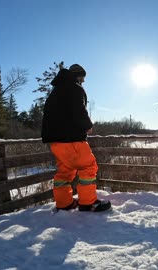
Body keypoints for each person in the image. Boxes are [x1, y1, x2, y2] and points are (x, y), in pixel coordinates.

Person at [41, 64, 111, 212]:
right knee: (88, 167)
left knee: (65, 171)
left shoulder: (56, 91)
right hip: (72, 139)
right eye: (82, 77)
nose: (83, 81)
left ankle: (64, 203)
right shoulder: (74, 88)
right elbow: (79, 110)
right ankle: (88, 202)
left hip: (55, 141)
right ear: (76, 75)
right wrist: (87, 125)